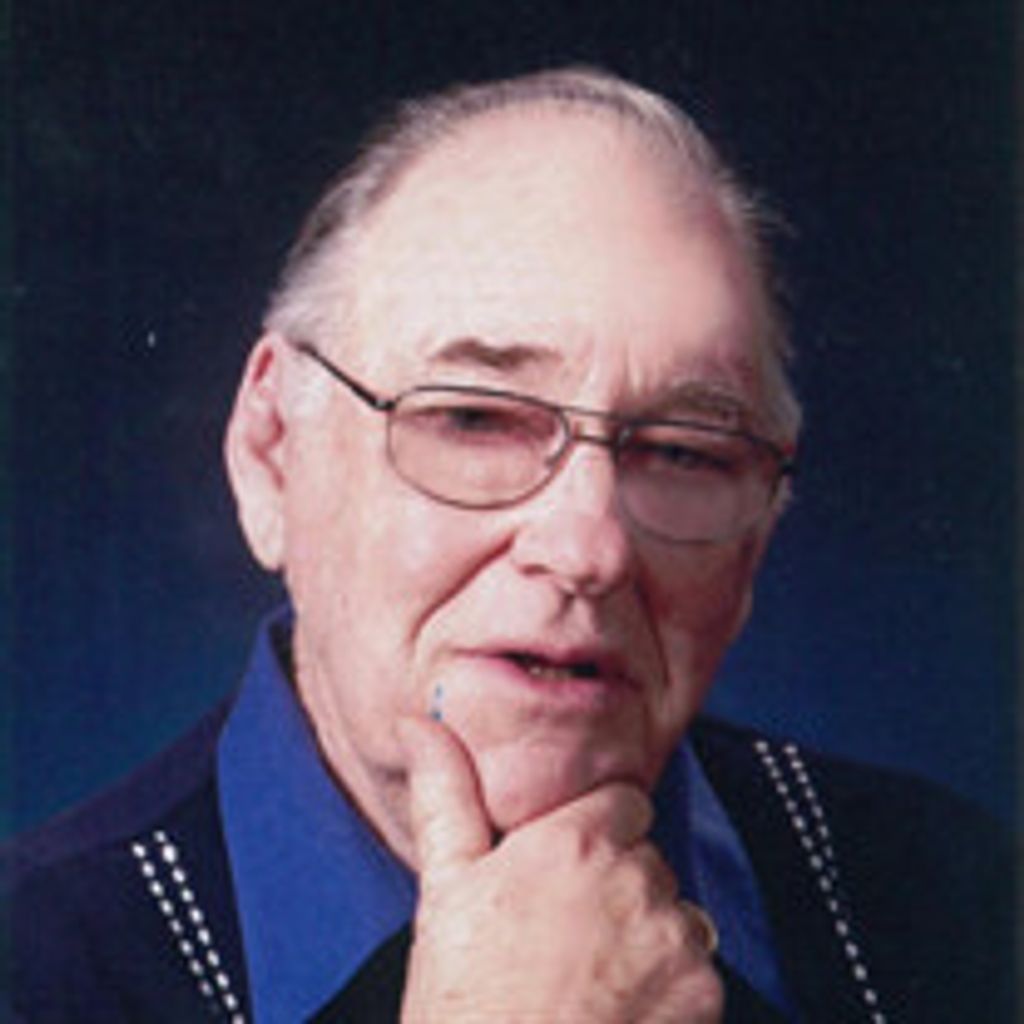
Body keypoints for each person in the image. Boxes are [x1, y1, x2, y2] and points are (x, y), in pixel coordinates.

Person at [2, 67, 1012, 1024]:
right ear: (272, 455)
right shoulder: (33, 971)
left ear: (757, 537)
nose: (589, 547)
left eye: (684, 451)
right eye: (475, 420)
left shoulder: (962, 904)